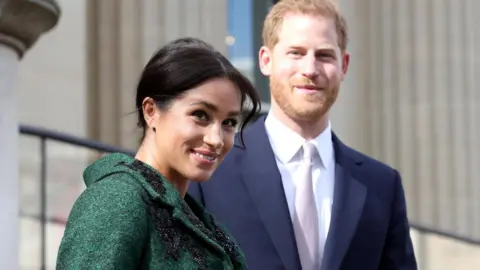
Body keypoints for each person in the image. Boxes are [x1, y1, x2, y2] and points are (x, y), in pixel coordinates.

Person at [188, 0, 418, 269]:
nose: (310, 70)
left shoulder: (381, 186)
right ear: (266, 60)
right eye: (296, 53)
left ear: (344, 65)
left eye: (324, 55)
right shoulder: (210, 171)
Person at [55, 37, 261, 269]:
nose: (215, 139)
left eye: (229, 122)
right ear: (151, 111)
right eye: (200, 115)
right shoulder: (117, 200)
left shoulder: (201, 220)